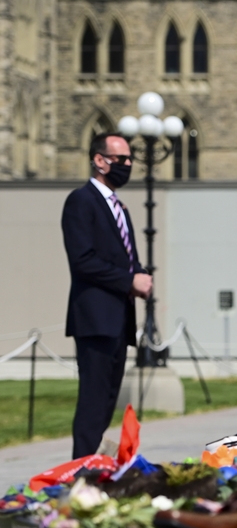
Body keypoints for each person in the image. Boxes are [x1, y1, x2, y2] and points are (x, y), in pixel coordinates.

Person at [62, 133, 152, 458]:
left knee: (107, 403)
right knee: (92, 403)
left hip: (118, 319)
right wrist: (130, 281)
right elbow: (83, 260)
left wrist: (139, 275)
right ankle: (81, 473)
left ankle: (95, 467)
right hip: (95, 319)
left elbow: (124, 257)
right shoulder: (81, 201)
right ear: (100, 160)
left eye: (130, 160)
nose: (127, 165)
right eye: (121, 159)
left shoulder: (119, 207)